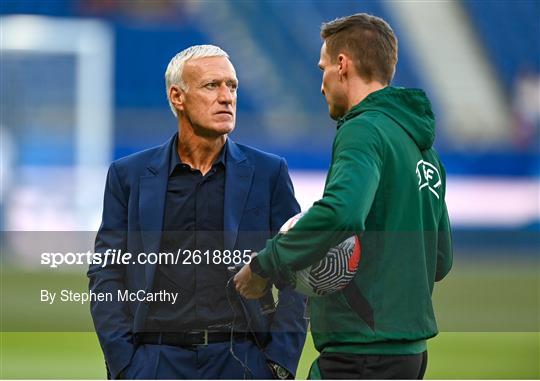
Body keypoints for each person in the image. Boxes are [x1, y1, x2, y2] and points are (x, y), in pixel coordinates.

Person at [235, 13, 453, 379]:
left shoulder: (362, 129)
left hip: (360, 353)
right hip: (410, 356)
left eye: (323, 68)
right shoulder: (423, 147)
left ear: (342, 64)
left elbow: (342, 212)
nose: (321, 84)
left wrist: (265, 265)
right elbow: (441, 259)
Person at [88, 45, 307, 380]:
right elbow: (106, 273)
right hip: (155, 362)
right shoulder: (128, 176)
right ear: (178, 96)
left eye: (232, 86)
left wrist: (280, 361)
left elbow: (297, 271)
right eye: (211, 86)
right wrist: (124, 363)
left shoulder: (268, 172)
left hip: (243, 360)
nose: (226, 97)